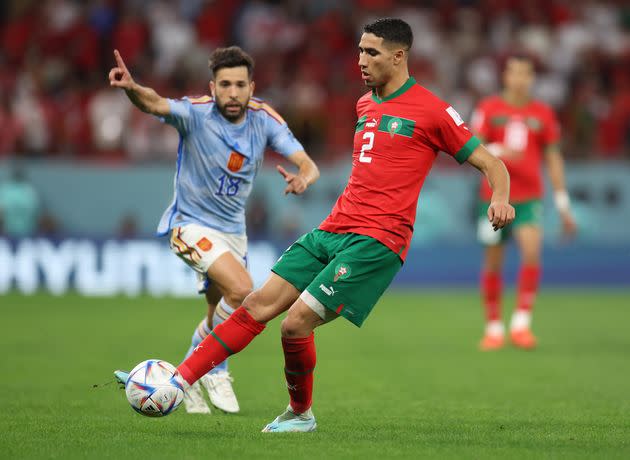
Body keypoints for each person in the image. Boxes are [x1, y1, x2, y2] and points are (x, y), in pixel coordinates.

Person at [153, 17, 515, 432]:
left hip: (378, 241)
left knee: (294, 324)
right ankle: (175, 384)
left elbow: (492, 163)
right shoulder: (364, 104)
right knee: (255, 305)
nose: (360, 60)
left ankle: (300, 414)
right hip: (333, 228)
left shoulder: (432, 110)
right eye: (360, 50)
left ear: (399, 57)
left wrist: (500, 198)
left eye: (371, 53)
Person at [108, 46, 319, 414]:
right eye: (225, 84)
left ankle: (182, 379)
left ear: (252, 87)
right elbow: (155, 104)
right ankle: (214, 369)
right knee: (242, 290)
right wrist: (131, 88)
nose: (233, 93)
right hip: (187, 225)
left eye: (240, 84)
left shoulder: (264, 119)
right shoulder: (195, 114)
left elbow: (307, 163)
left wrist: (304, 177)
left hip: (233, 234)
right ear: (213, 86)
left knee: (216, 315)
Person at [471, 55, 577, 351]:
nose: (519, 79)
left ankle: (520, 324)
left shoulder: (542, 114)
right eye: (514, 73)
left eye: (525, 74)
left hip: (530, 197)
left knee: (531, 253)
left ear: (532, 79)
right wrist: (497, 148)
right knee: (493, 261)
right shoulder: (489, 109)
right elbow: (470, 146)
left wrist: (562, 202)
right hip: (492, 198)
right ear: (505, 76)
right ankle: (493, 327)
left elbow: (553, 158)